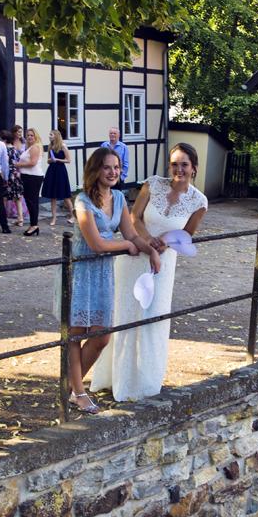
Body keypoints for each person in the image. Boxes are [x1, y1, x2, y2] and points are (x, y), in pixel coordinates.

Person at [92, 143, 208, 401]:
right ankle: (114, 378)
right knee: (125, 312)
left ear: (194, 168)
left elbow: (188, 233)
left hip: (163, 265)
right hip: (135, 256)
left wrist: (166, 242)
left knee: (152, 315)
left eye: (184, 164)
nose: (178, 169)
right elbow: (134, 218)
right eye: (174, 163)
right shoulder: (152, 184)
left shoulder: (199, 201)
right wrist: (149, 242)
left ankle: (143, 382)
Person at [67, 147, 160, 413]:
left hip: (104, 274)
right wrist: (125, 246)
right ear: (96, 170)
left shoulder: (119, 198)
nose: (113, 172)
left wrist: (150, 250)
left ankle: (71, 385)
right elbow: (96, 244)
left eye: (117, 167)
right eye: (107, 167)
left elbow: (131, 234)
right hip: (82, 272)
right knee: (75, 335)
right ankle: (79, 391)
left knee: (102, 336)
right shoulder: (82, 201)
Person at [17, 127, 46, 236]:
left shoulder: (35, 148)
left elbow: (33, 163)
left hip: (33, 177)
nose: (29, 137)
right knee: (30, 202)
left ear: (35, 137)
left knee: (32, 202)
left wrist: (17, 164)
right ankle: (33, 224)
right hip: (28, 177)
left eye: (31, 135)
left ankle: (34, 225)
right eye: (28, 135)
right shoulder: (30, 148)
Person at [43, 130, 74, 225]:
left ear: (56, 136)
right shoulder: (50, 146)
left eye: (51, 135)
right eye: (49, 135)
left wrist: (57, 159)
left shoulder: (63, 146)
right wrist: (51, 160)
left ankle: (73, 215)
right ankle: (54, 218)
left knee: (65, 195)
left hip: (60, 171)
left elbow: (68, 160)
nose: (49, 136)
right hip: (52, 170)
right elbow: (48, 161)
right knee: (53, 196)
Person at [5, 125, 26, 227]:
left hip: (19, 168)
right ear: (14, 133)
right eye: (18, 132)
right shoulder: (11, 143)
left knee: (17, 194)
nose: (20, 134)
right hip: (13, 169)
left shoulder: (23, 142)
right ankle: (10, 213)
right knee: (8, 194)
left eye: (21, 132)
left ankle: (19, 216)